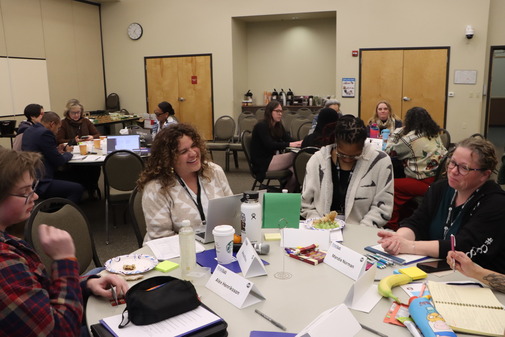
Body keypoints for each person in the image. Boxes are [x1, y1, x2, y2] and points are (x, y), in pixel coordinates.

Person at [0, 148, 128, 337]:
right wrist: (64, 260)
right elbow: (62, 331)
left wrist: (86, 286)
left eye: (32, 189)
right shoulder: (4, 263)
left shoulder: (9, 240)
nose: (34, 196)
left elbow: (39, 290)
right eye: (24, 192)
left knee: (97, 275)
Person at [378, 137, 505, 274]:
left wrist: (410, 246)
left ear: (484, 175)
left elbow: (461, 246)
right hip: (438, 271)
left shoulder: (496, 203)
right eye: (452, 163)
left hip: (478, 282)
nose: (453, 171)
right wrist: (398, 240)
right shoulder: (441, 188)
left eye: (464, 168)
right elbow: (416, 222)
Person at [138, 123, 233, 241]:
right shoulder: (156, 188)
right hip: (176, 252)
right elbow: (161, 238)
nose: (193, 153)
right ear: (169, 158)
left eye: (194, 146)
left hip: (218, 245)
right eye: (183, 151)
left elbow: (232, 213)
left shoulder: (214, 171)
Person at [301, 115, 394, 227]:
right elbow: (306, 203)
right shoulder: (318, 161)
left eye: (355, 156)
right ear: (336, 143)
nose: (347, 159)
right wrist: (320, 225)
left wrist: (360, 231)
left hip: (363, 232)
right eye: (342, 154)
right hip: (322, 231)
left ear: (363, 145)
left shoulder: (380, 161)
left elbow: (382, 207)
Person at [384, 107, 448, 230]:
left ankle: (391, 225)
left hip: (422, 182)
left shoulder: (410, 139)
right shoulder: (434, 132)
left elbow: (388, 151)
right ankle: (406, 216)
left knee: (390, 185)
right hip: (438, 179)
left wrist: (397, 132)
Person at [21, 111, 84, 204]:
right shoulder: (45, 133)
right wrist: (68, 153)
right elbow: (59, 161)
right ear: (52, 124)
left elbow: (40, 150)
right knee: (78, 188)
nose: (57, 131)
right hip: (41, 181)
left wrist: (56, 150)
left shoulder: (29, 130)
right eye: (58, 128)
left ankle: (55, 205)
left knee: (73, 175)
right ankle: (61, 215)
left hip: (29, 177)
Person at [250, 100, 302, 192]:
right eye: (277, 111)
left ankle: (287, 194)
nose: (280, 114)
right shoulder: (261, 126)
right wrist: (291, 144)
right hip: (262, 163)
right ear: (270, 112)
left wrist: (300, 142)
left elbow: (288, 139)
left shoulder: (278, 126)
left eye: (281, 111)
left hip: (272, 159)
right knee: (296, 156)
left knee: (295, 169)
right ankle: (286, 192)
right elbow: (270, 145)